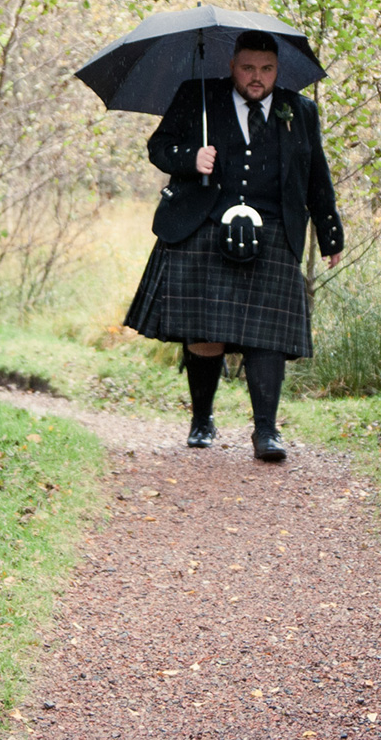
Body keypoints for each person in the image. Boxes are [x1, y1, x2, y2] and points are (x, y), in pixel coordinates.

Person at [122, 30, 345, 460]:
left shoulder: (299, 110)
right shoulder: (198, 96)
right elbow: (158, 147)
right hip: (203, 224)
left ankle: (266, 433)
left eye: (266, 69)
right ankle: (202, 419)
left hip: (274, 231)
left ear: (278, 70)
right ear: (232, 65)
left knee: (269, 337)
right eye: (248, 68)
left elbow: (316, 175)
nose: (256, 78)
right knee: (204, 332)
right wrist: (190, 158)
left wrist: (330, 232)